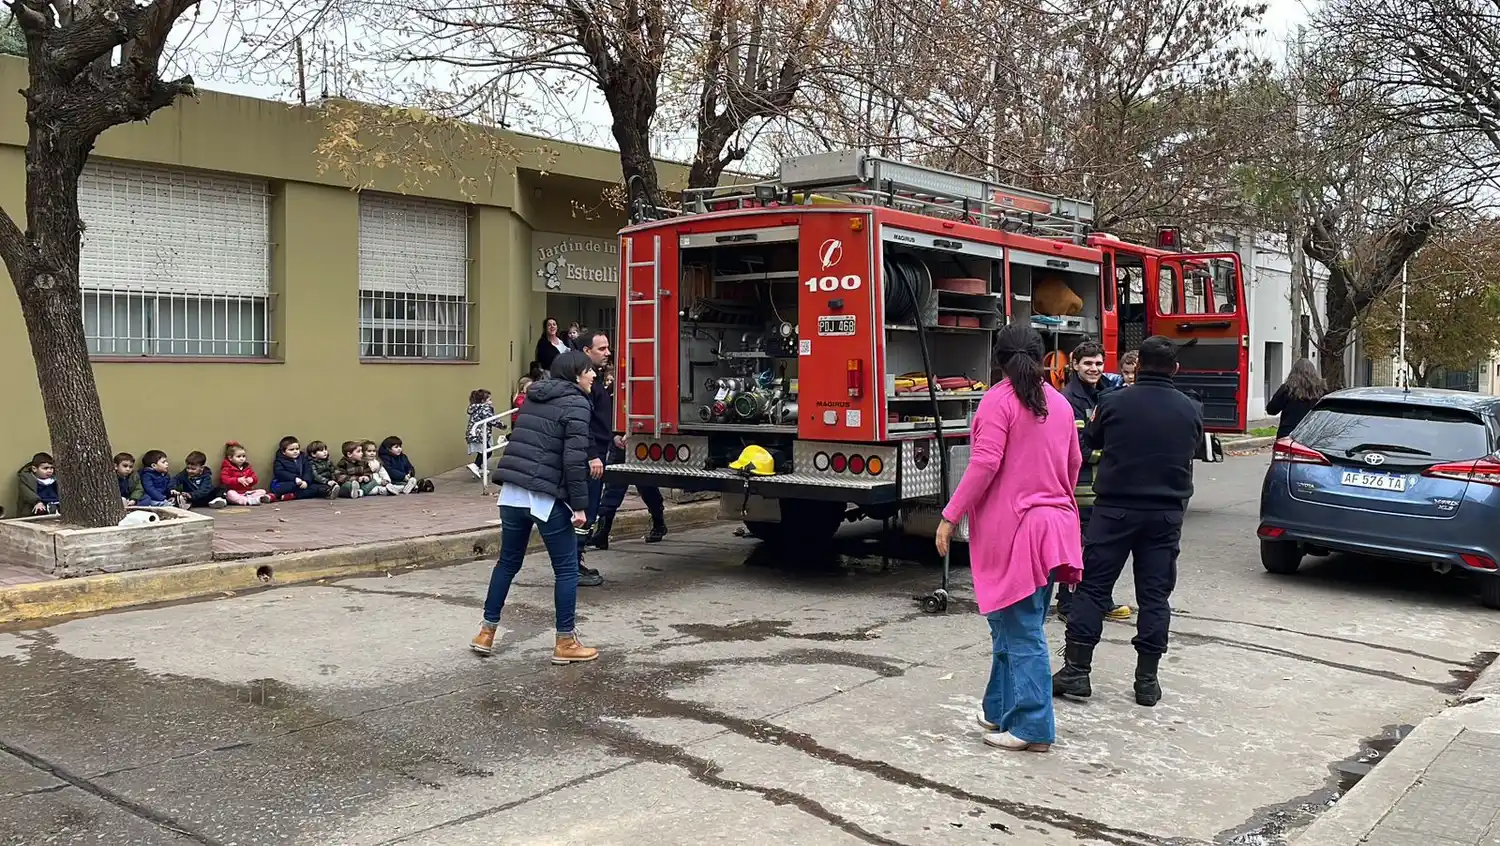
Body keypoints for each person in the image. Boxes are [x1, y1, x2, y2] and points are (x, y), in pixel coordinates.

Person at [935, 325, 1082, 753]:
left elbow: (983, 463)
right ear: (1041, 359)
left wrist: (950, 514)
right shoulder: (1058, 402)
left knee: (1020, 632)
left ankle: (1034, 727)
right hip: (1053, 526)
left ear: (998, 359)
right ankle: (999, 708)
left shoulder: (997, 402)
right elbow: (1073, 464)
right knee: (1011, 624)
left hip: (1016, 530)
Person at [1054, 335, 1203, 708]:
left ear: (1137, 367)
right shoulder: (1191, 409)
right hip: (1165, 515)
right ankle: (1147, 681)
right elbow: (1193, 449)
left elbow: (1090, 441)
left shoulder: (1112, 402)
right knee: (1155, 596)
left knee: (1092, 589)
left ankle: (1077, 671)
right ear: (1176, 369)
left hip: (1114, 510)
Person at [470, 350, 599, 665]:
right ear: (575, 374)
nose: (594, 375)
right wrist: (580, 506)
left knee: (507, 563)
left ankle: (486, 632)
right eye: (589, 370)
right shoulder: (577, 404)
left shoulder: (534, 397)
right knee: (567, 569)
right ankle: (565, 641)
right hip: (545, 495)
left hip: (513, 492)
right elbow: (573, 459)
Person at [1056, 341, 1131, 623]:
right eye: (1088, 363)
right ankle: (1067, 603)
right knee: (1077, 546)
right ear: (1075, 365)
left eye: (1099, 363)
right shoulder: (1069, 399)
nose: (1094, 369)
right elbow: (1079, 450)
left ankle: (1101, 599)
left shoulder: (1108, 394)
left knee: (1104, 549)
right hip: (1080, 486)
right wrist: (1114, 454)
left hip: (1106, 486)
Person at [580, 331, 669, 553]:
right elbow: (603, 414)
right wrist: (616, 434)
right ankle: (602, 532)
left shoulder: (640, 380)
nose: (608, 354)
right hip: (617, 439)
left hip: (638, 435)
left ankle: (658, 521)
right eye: (602, 349)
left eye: (608, 349)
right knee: (614, 486)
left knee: (646, 484)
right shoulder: (603, 381)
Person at [1267, 358, 1325, 438]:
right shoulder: (1321, 390)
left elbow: (1271, 410)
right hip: (1313, 434)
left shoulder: (1287, 389)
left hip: (1288, 433)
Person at [270, 436, 334, 501]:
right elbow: (280, 473)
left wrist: (306, 481)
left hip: (302, 483)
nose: (295, 451)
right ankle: (283, 495)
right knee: (290, 487)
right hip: (284, 483)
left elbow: (308, 471)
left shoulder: (302, 458)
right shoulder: (279, 460)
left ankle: (292, 495)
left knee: (315, 487)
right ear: (284, 452)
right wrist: (295, 478)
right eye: (291, 450)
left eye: (297, 449)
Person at [465, 389, 504, 480]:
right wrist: (502, 425)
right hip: (479, 434)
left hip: (474, 433)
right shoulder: (484, 408)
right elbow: (491, 420)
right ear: (483, 401)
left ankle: (478, 467)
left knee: (483, 451)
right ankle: (475, 465)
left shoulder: (476, 408)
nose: (491, 402)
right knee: (488, 451)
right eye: (489, 400)